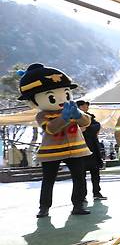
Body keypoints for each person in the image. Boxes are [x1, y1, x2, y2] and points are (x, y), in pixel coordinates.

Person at [17, 63, 92, 218]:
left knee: (79, 177)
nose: (62, 99)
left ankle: (78, 204)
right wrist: (64, 117)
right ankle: (44, 207)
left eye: (66, 94)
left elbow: (86, 123)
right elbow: (51, 129)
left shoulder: (73, 108)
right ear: (34, 100)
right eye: (52, 96)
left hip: (76, 150)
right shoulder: (42, 115)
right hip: (51, 152)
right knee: (48, 180)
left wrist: (78, 115)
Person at [76, 100, 107, 201]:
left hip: (93, 149)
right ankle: (82, 195)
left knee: (95, 173)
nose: (86, 108)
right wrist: (83, 130)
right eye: (84, 106)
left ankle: (96, 192)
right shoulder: (74, 118)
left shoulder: (90, 117)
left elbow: (97, 126)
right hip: (81, 150)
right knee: (81, 175)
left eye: (87, 106)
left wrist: (86, 128)